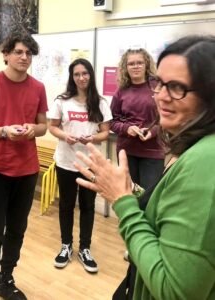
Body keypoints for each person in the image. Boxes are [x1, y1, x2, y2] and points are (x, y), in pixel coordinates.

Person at [74, 35, 215, 300]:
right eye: (160, 84)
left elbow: (174, 290)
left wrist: (123, 201)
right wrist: (131, 192)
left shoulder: (205, 161)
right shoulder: (195, 146)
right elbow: (169, 214)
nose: (161, 96)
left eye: (176, 87)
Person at [0, 31, 48, 300]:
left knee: (17, 230)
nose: (24, 57)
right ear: (6, 55)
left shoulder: (38, 88)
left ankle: (6, 280)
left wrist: (31, 130)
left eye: (28, 53)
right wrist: (4, 131)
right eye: (18, 52)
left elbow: (43, 126)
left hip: (26, 171)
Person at [48, 58, 112, 273]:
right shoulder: (62, 101)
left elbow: (105, 132)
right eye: (77, 74)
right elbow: (53, 127)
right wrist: (65, 136)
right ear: (72, 77)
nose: (81, 77)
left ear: (91, 75)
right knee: (66, 205)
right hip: (66, 162)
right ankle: (66, 245)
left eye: (85, 73)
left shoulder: (100, 102)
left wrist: (92, 138)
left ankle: (85, 248)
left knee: (87, 206)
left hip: (90, 163)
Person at [110, 48, 164, 190]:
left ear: (146, 64)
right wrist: (127, 128)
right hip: (127, 152)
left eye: (139, 62)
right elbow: (112, 121)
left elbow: (166, 118)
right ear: (125, 67)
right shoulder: (120, 91)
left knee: (148, 198)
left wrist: (152, 132)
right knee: (130, 194)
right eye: (131, 64)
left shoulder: (158, 87)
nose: (136, 66)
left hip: (153, 151)